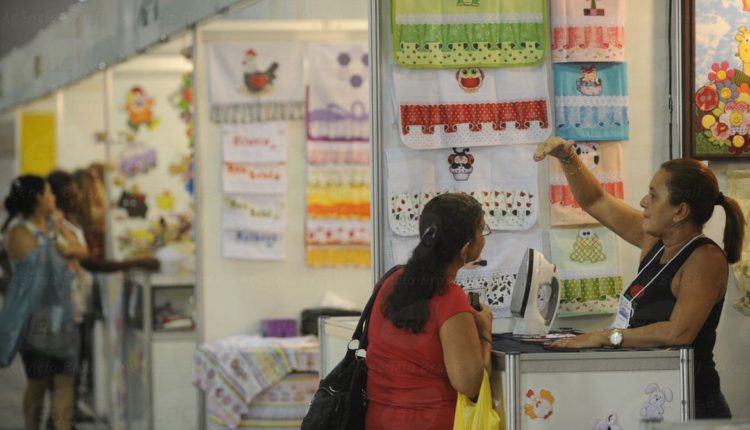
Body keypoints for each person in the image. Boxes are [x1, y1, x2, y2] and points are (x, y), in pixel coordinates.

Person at [534, 136, 746, 419]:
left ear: (680, 211)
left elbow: (678, 333)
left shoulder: (704, 259)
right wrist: (568, 157)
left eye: (654, 195)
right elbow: (596, 200)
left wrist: (603, 337)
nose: (644, 201)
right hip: (652, 395)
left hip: (692, 405)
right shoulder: (655, 240)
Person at [365, 193, 493, 430]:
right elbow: (469, 384)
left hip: (377, 420)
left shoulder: (389, 281)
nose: (484, 238)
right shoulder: (450, 297)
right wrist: (485, 332)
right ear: (465, 250)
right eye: (482, 231)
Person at [0, 175, 85, 430]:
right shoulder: (19, 232)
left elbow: (80, 250)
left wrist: (60, 232)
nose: (53, 197)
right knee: (38, 382)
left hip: (63, 316)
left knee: (65, 380)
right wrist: (60, 242)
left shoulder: (54, 225)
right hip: (35, 319)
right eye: (49, 192)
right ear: (39, 198)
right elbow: (38, 266)